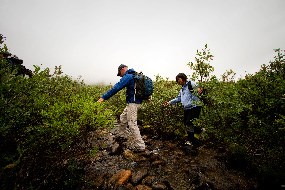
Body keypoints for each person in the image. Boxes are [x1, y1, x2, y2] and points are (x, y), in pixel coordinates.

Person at [97, 64, 146, 152]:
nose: (120, 76)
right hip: (134, 103)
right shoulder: (134, 75)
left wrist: (103, 97)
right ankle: (122, 133)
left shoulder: (128, 76)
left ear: (123, 69)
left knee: (132, 123)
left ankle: (140, 145)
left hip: (133, 103)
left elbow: (116, 87)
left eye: (120, 74)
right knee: (123, 117)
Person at [164, 73, 203, 146]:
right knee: (186, 123)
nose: (178, 81)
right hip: (187, 108)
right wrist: (169, 102)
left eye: (179, 79)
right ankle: (199, 132)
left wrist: (198, 89)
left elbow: (198, 88)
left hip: (194, 106)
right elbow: (178, 98)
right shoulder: (182, 89)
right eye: (177, 80)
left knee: (189, 123)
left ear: (183, 78)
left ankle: (191, 139)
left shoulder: (190, 83)